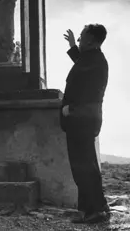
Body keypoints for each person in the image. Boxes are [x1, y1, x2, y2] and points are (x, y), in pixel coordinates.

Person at [61, 24, 110, 224]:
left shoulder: (95, 61)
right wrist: (73, 46)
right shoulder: (93, 59)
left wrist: (72, 110)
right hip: (83, 119)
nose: (79, 40)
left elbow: (88, 90)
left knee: (84, 167)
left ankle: (95, 211)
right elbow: (81, 66)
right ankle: (94, 209)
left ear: (90, 40)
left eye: (81, 38)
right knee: (85, 166)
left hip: (81, 119)